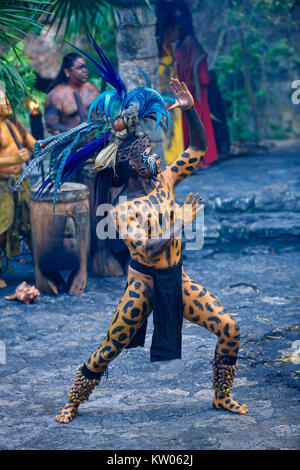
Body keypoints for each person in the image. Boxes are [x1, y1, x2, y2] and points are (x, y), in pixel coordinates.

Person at [16, 39, 248, 423]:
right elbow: (147, 251)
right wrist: (180, 222)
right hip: (143, 286)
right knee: (110, 347)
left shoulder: (165, 181)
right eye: (145, 153)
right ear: (130, 166)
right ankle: (74, 399)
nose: (154, 154)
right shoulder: (123, 209)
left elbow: (198, 149)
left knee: (230, 329)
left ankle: (221, 395)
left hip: (177, 280)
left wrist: (190, 113)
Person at [157, 0, 218, 168]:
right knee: (194, 125)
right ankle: (199, 159)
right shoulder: (186, 47)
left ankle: (189, 159)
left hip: (182, 91)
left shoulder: (177, 48)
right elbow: (204, 78)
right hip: (191, 94)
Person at [0, 89, 35, 288]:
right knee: (2, 227)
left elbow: (34, 144)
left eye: (6, 99)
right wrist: (13, 159)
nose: (6, 103)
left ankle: (41, 267)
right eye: (2, 100)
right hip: (2, 184)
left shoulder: (15, 126)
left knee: (31, 223)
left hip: (20, 182)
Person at [45, 53, 99, 135]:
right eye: (79, 68)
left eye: (85, 66)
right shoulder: (56, 95)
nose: (84, 70)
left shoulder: (92, 89)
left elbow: (102, 113)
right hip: (71, 145)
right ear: (67, 72)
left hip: (95, 141)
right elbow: (50, 125)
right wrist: (75, 132)